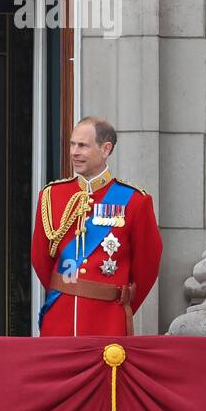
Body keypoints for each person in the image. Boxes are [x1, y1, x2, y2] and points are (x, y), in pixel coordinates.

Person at [31, 117, 162, 336]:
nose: (74, 152)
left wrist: (118, 304)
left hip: (107, 321)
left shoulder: (134, 201)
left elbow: (146, 268)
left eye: (82, 145)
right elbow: (40, 258)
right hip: (59, 319)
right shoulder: (51, 195)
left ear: (105, 149)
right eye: (72, 144)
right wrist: (68, 289)